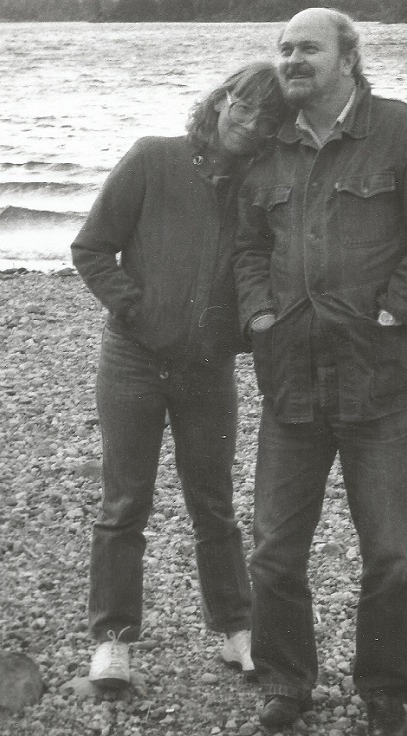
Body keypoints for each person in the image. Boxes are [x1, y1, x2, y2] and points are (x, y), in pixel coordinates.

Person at [234, 9, 407, 735]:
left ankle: (386, 691)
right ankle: (285, 683)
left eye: (308, 48)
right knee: (275, 550)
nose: (292, 59)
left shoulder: (404, 132)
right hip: (291, 380)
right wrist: (259, 316)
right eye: (284, 49)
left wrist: (398, 310)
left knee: (391, 553)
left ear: (348, 56)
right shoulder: (268, 151)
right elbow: (247, 247)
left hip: (383, 382)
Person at [71, 62, 285, 691]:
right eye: (241, 107)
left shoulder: (261, 184)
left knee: (213, 503)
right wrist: (134, 307)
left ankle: (237, 630)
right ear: (219, 102)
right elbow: (91, 248)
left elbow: (262, 269)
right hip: (132, 361)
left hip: (208, 369)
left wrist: (245, 333)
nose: (248, 125)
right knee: (124, 503)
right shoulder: (152, 159)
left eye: (265, 119)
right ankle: (111, 642)